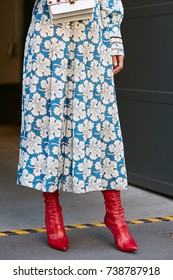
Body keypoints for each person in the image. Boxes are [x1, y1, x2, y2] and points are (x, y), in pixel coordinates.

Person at [16, 0, 138, 252]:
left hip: (93, 33)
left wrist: (115, 39)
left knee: (103, 123)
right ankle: (52, 211)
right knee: (47, 119)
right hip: (49, 33)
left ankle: (115, 214)